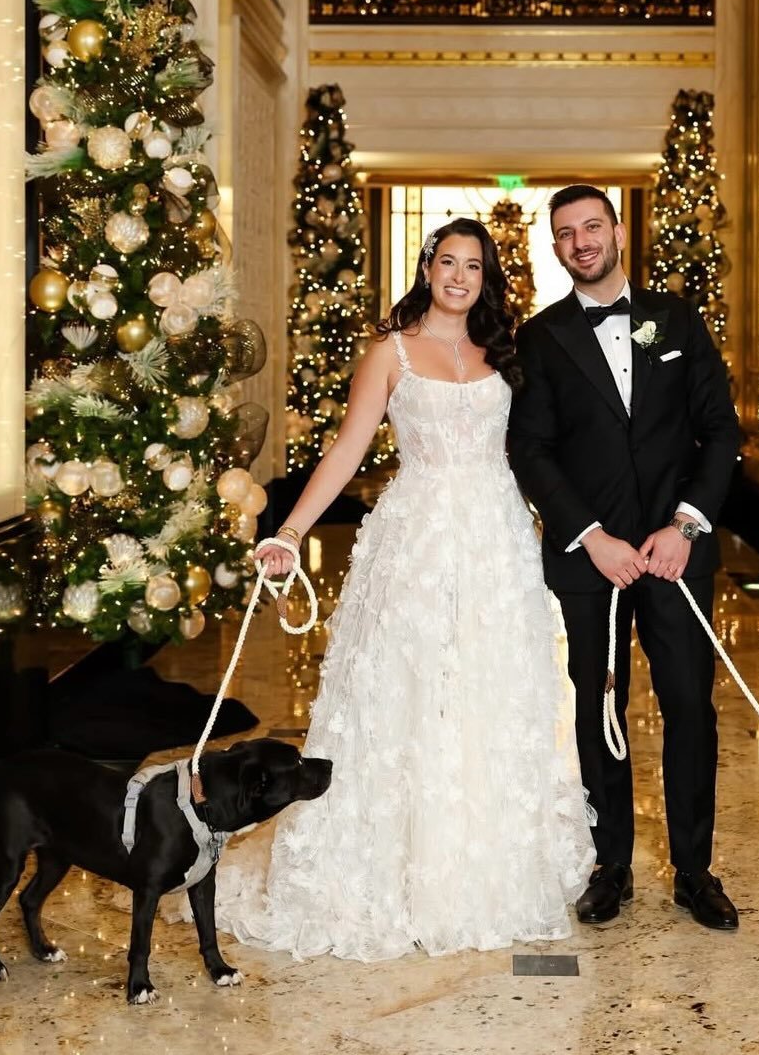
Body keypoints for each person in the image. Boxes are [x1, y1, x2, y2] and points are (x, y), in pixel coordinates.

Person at [203, 218, 593, 962]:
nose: (458, 277)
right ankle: (392, 874)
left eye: (472, 267)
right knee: (404, 693)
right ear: (426, 266)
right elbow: (348, 448)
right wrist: (287, 532)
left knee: (486, 693)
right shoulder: (390, 350)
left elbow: (540, 449)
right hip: (414, 539)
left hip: (497, 543)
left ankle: (480, 874)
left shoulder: (506, 354)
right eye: (447, 262)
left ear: (486, 279)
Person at [507, 185, 741, 931]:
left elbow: (720, 432)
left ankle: (694, 870)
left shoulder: (677, 319)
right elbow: (530, 448)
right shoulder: (540, 339)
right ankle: (609, 864)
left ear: (615, 231)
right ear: (556, 247)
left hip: (675, 554)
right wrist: (591, 536)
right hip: (592, 562)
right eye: (566, 233)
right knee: (598, 706)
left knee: (688, 708)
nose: (581, 241)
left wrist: (685, 527)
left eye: (592, 226)